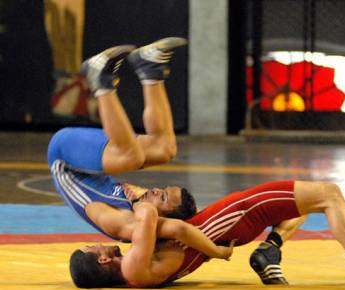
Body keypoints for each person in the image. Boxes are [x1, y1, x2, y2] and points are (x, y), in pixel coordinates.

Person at [48, 38, 234, 264]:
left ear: (161, 216)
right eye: (162, 190)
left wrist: (216, 252)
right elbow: (180, 229)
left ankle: (99, 80)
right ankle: (150, 69)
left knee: (132, 156)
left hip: (65, 159)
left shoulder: (123, 223)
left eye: (163, 197)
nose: (155, 190)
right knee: (165, 149)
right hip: (87, 161)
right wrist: (212, 249)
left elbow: (179, 230)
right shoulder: (145, 213)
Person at [71, 180, 345, 290]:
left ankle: (269, 251)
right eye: (93, 246)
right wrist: (137, 199)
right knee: (328, 194)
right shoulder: (134, 267)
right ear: (103, 260)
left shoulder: (139, 267)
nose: (98, 241)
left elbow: (176, 228)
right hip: (232, 218)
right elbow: (150, 215)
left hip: (229, 223)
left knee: (306, 203)